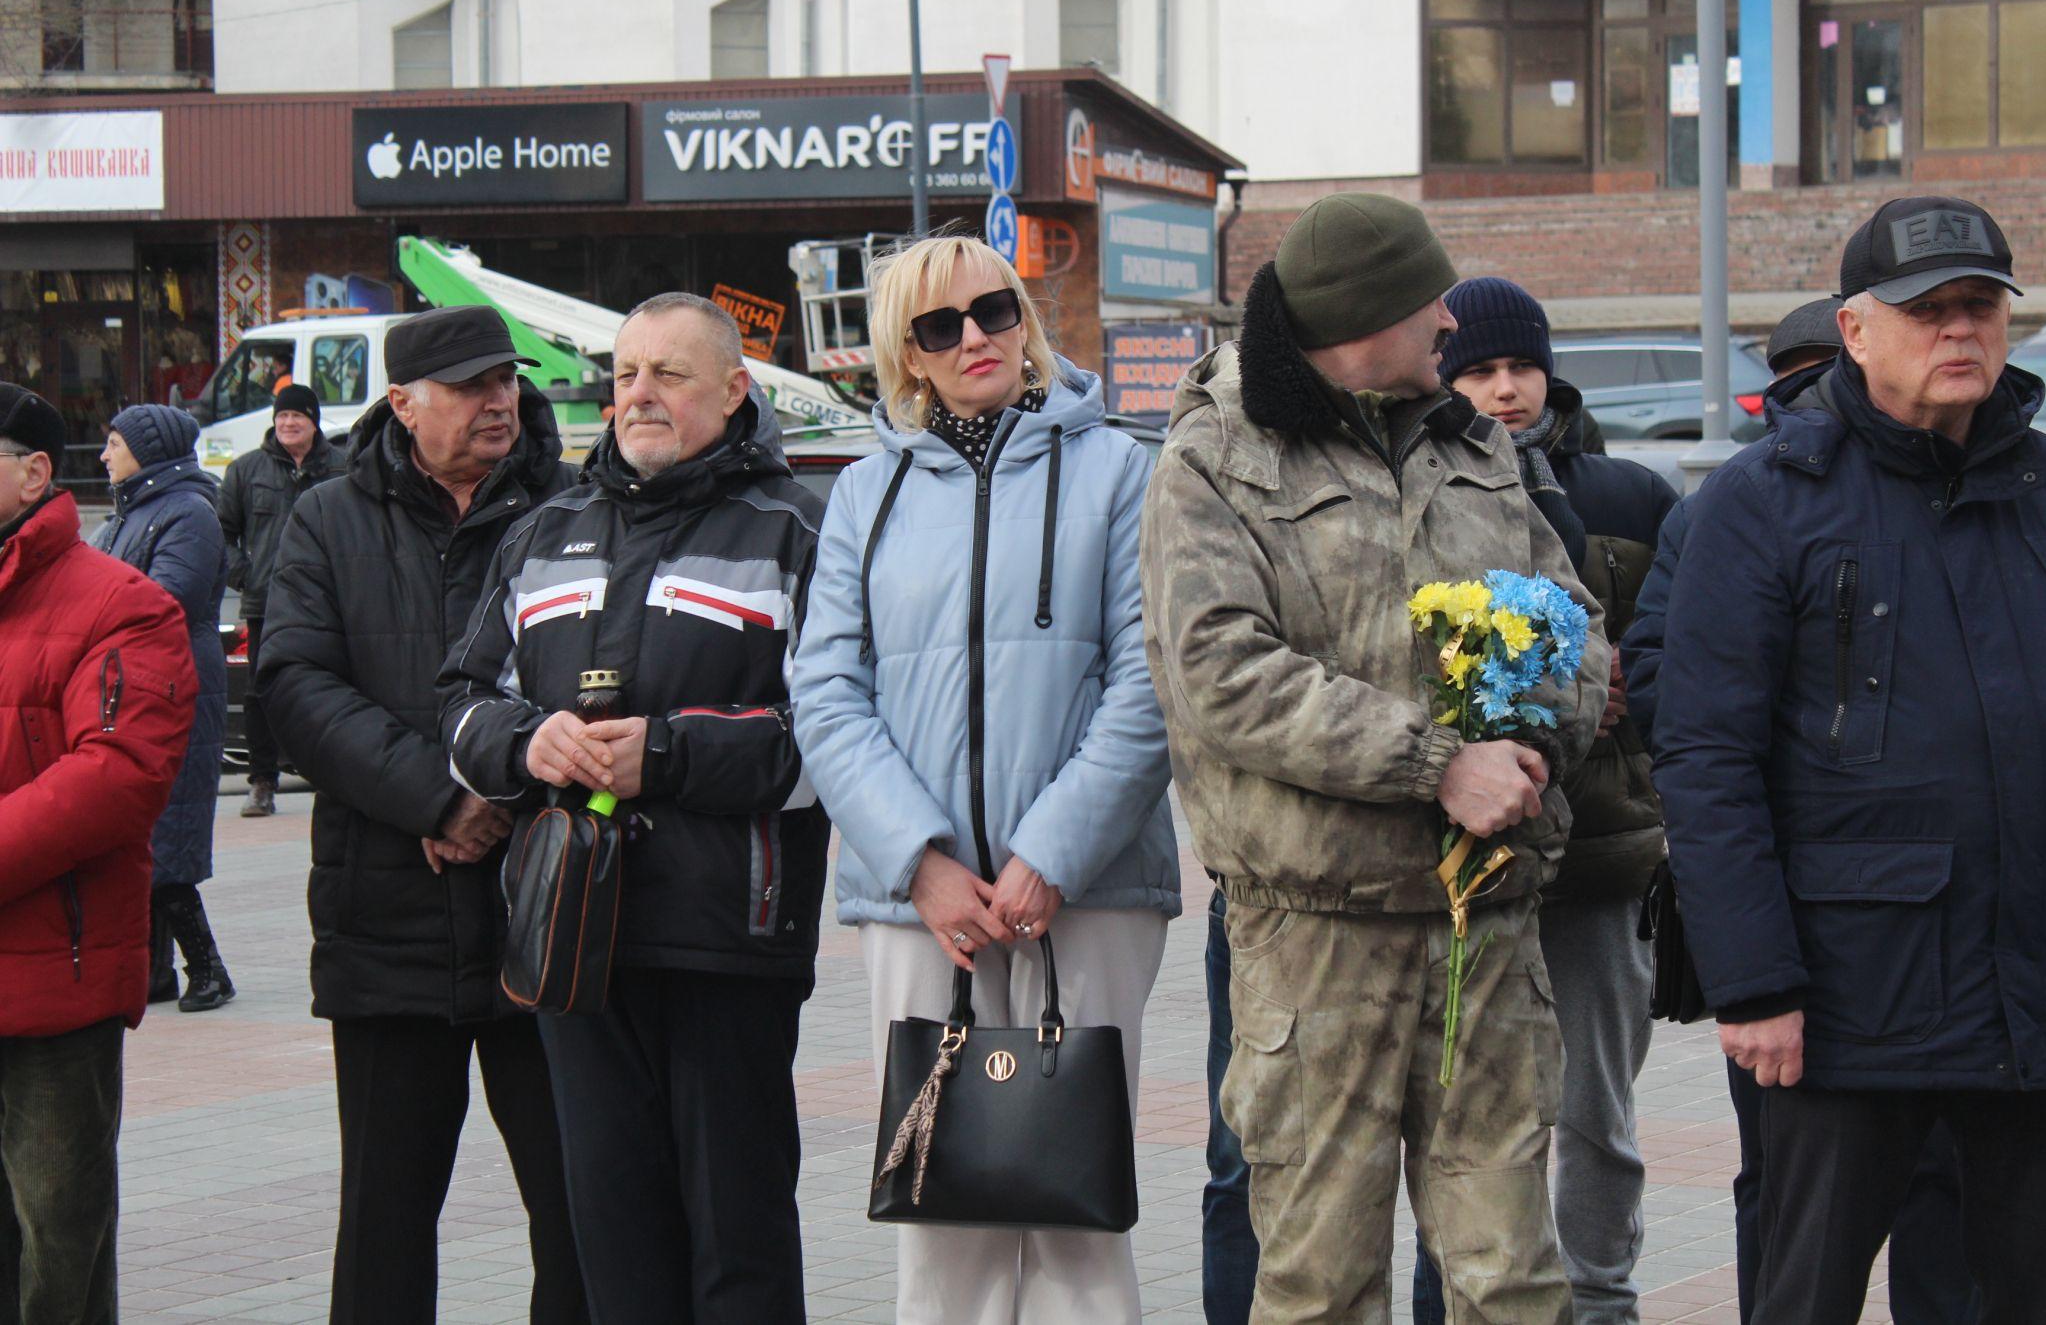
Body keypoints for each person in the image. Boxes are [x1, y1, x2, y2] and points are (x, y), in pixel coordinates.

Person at [1141, 193, 1607, 1323]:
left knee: (1511, 1281)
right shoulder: (1214, 456)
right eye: (1429, 299)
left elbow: (1571, 621)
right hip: (1315, 943)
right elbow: (1217, 673)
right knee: (1319, 1287)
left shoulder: (1475, 443)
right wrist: (1435, 762)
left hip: (1484, 935)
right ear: (1361, 316)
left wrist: (1540, 733)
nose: (1451, 320)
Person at [1653, 196, 2046, 1322]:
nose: (1958, 331)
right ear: (1856, 329)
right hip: (1839, 1003)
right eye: (1927, 311)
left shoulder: (2036, 493)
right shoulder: (1762, 504)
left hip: (2020, 992)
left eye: (1978, 307)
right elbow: (1705, 757)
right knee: (1805, 1292)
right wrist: (1752, 982)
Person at [791, 235, 1178, 1325]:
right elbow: (823, 691)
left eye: (993, 310)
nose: (974, 338)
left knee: (1074, 1212)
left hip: (1089, 893)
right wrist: (919, 864)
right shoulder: (863, 496)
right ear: (904, 354)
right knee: (940, 1218)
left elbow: (1153, 681)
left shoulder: (1121, 470)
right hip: (924, 909)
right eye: (937, 325)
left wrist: (1050, 853)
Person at [441, 294, 828, 1324]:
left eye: (670, 374)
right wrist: (527, 742)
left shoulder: (797, 529)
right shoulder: (542, 532)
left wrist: (666, 752)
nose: (640, 395)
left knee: (735, 1241)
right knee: (612, 1240)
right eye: (625, 375)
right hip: (577, 945)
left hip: (727, 943)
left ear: (736, 391)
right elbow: (459, 703)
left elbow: (834, 738)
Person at [257, 306, 586, 1325]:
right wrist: (435, 799)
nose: (500, 401)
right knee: (386, 1220)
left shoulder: (571, 509)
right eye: (471, 385)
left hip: (548, 915)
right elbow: (297, 684)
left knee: (576, 1215)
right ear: (401, 402)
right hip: (386, 918)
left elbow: (603, 688)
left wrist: (494, 796)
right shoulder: (326, 518)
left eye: (506, 382)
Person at [1407, 278, 1676, 1325]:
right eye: (1477, 369)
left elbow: (1684, 659)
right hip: (1475, 858)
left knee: (1596, 1110)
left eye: (1520, 366)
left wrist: (1618, 687)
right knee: (1472, 1117)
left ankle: (1602, 1297)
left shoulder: (1626, 498)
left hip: (1604, 854)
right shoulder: (1425, 496)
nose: (1504, 389)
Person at [0, 383, 195, 1324]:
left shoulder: (124, 604)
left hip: (52, 985)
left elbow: (116, 776)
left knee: (56, 1252)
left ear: (36, 472)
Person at [92, 404, 234, 1013]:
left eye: (115, 444)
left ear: (148, 452)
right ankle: (155, 972)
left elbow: (164, 597)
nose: (104, 456)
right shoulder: (128, 515)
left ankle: (206, 969)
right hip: (135, 683)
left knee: (167, 831)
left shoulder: (189, 513)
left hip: (177, 686)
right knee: (142, 827)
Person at [216, 383, 344, 817]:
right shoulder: (246, 470)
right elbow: (223, 533)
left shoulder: (341, 468)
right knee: (260, 693)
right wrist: (246, 575)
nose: (289, 424)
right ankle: (262, 782)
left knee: (330, 688)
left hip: (327, 601)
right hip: (266, 602)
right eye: (282, 417)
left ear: (314, 421)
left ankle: (331, 776)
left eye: (298, 417)